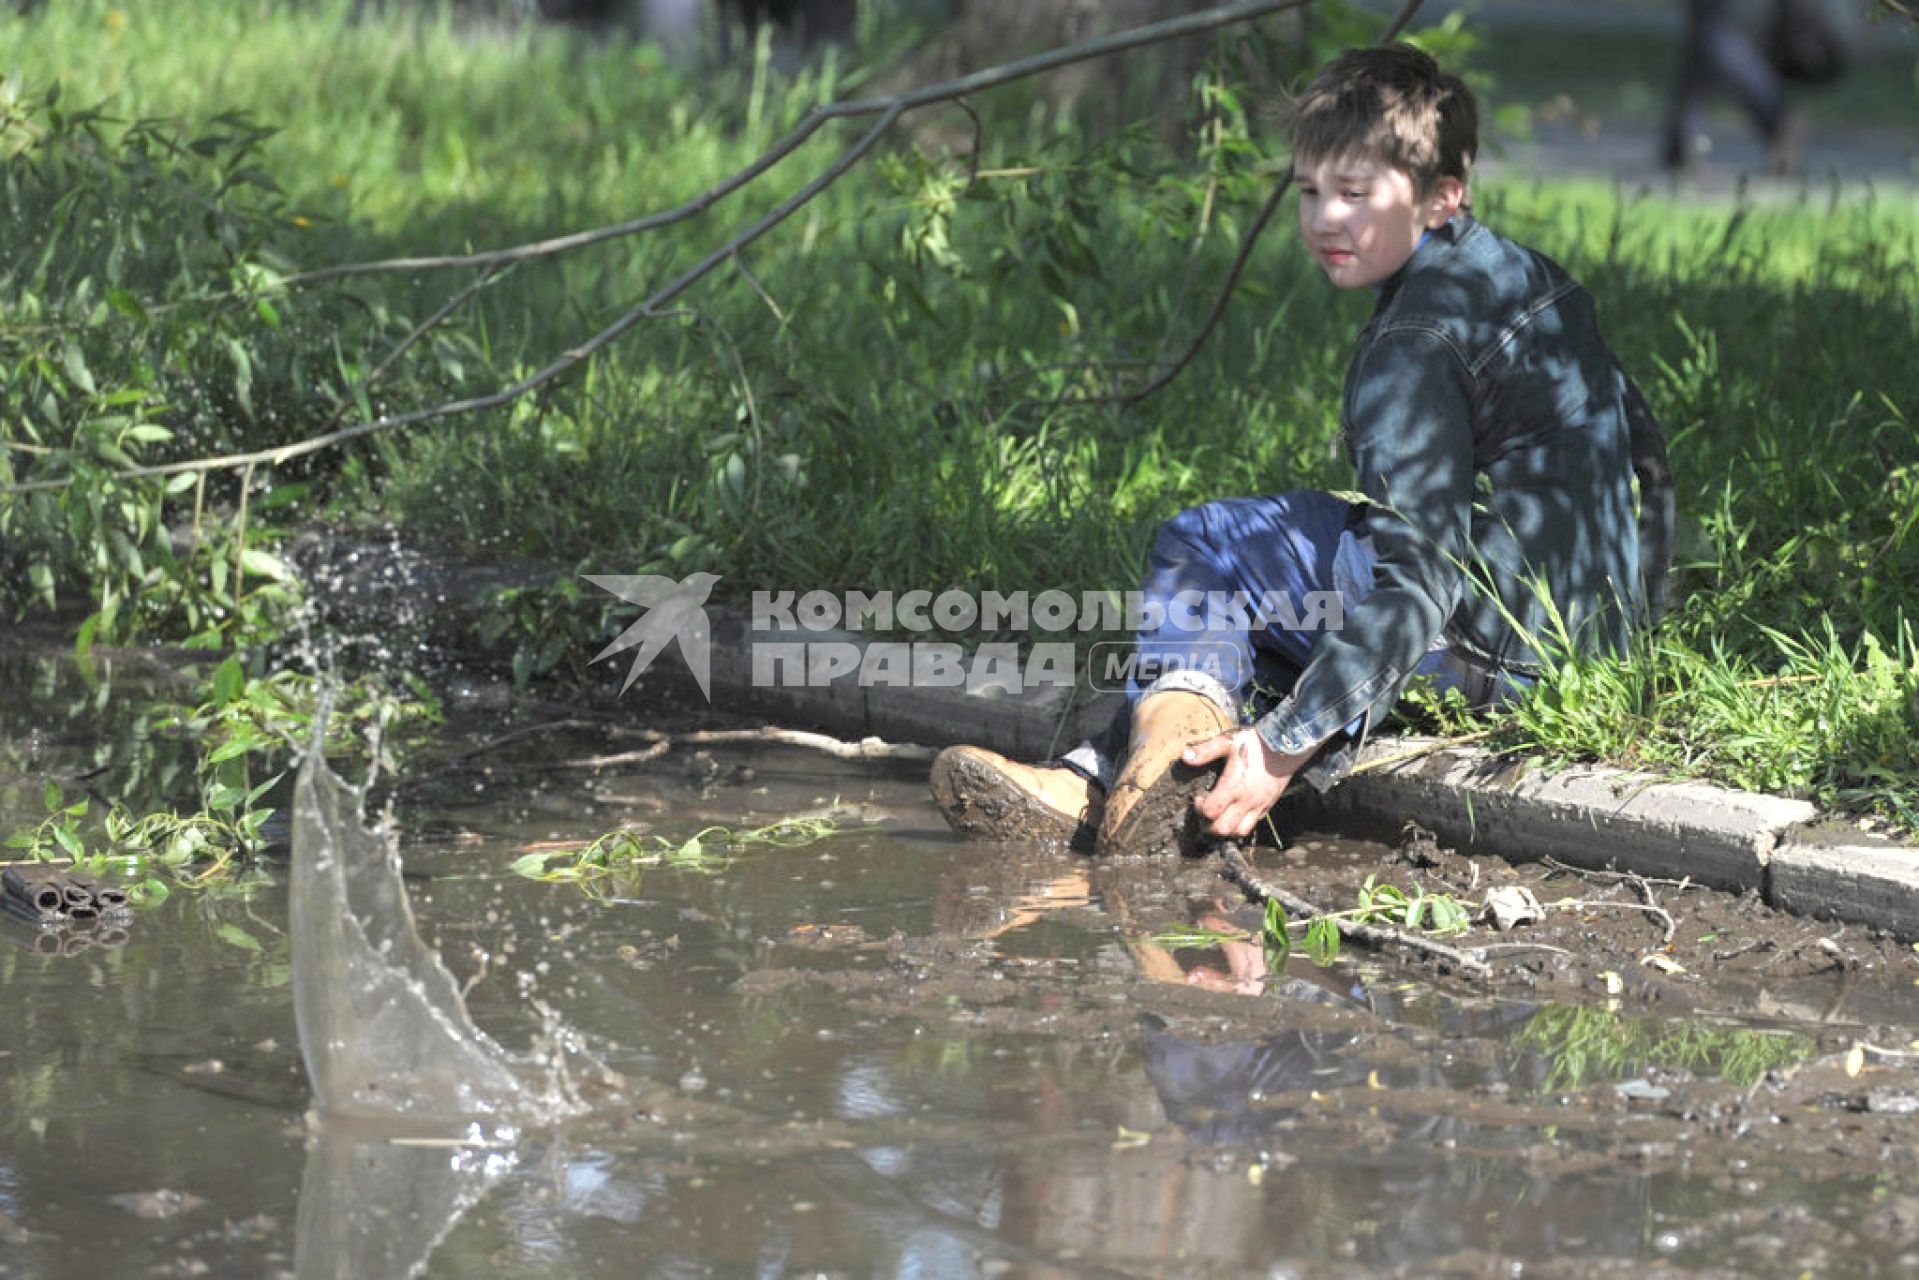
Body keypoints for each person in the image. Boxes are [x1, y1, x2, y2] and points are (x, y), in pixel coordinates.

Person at [931, 43, 1675, 858]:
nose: (1324, 218)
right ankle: (1088, 783)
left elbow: (1422, 577)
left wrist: (1286, 743)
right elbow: (1643, 451)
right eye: (1310, 192)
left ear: (1440, 198)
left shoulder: (1412, 345)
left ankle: (1146, 762)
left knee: (1208, 545)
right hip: (1581, 636)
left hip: (1484, 642)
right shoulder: (1529, 276)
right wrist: (1639, 614)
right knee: (1270, 618)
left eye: (1354, 193)